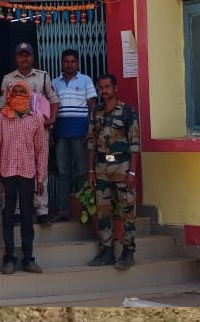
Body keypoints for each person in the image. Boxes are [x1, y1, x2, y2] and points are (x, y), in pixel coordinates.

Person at [0, 42, 59, 225]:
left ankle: (42, 209)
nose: (24, 58)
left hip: (38, 130)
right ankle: (18, 210)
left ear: (33, 57)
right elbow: (2, 106)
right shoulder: (8, 79)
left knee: (41, 168)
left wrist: (51, 120)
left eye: (27, 55)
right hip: (15, 133)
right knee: (16, 169)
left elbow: (54, 100)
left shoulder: (43, 77)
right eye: (21, 55)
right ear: (16, 58)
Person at [86, 74, 141, 271]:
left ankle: (128, 250)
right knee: (103, 211)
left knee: (127, 209)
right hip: (101, 168)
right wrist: (91, 169)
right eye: (101, 87)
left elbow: (135, 144)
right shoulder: (96, 112)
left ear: (115, 88)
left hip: (122, 167)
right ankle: (107, 250)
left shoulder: (127, 111)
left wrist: (132, 172)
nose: (104, 90)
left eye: (107, 86)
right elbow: (91, 142)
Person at [0, 82, 48, 275]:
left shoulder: (35, 119)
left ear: (28, 94)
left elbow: (41, 151)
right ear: (9, 94)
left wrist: (40, 178)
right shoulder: (0, 118)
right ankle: (9, 258)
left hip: (27, 173)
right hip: (6, 174)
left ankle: (28, 259)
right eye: (14, 91)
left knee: (27, 216)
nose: (17, 94)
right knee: (7, 217)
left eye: (21, 91)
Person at [50, 49, 98, 222]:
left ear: (77, 63)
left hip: (80, 132)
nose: (69, 64)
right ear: (61, 63)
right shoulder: (54, 83)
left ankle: (85, 209)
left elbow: (92, 106)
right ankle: (64, 210)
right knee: (63, 172)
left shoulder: (85, 80)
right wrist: (51, 132)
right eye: (66, 61)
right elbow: (50, 107)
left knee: (82, 172)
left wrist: (91, 129)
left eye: (73, 61)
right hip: (61, 133)